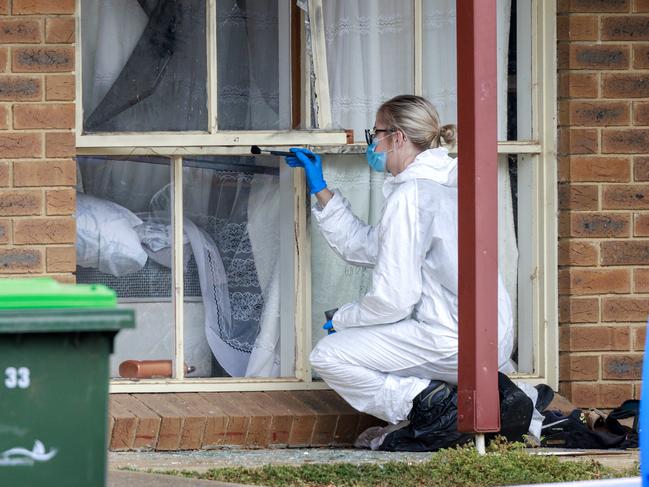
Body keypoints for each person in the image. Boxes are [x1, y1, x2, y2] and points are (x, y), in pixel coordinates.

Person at [285, 95, 514, 425]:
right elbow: (369, 247)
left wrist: (343, 319)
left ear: (398, 137)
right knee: (389, 344)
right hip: (493, 337)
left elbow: (395, 299)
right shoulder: (452, 182)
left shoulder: (412, 196)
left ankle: (435, 409)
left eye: (375, 133)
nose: (372, 144)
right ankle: (514, 402)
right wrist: (322, 189)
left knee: (330, 355)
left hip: (450, 337)